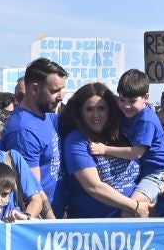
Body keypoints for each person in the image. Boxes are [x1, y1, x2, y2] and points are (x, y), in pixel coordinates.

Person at [59, 83, 142, 219]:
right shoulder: (75, 140)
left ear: (110, 109)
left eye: (101, 108)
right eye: (89, 109)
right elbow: (94, 187)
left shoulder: (124, 133)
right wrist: (136, 206)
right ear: (80, 112)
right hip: (95, 228)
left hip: (132, 223)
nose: (96, 115)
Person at [103, 69, 164, 217]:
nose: (126, 106)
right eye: (122, 100)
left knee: (129, 210)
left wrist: (104, 150)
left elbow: (136, 153)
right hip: (144, 171)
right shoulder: (130, 112)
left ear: (146, 98)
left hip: (156, 174)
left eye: (132, 101)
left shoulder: (146, 120)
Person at [1, 57, 66, 217]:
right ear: (35, 89)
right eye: (54, 91)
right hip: (41, 223)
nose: (61, 97)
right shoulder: (23, 130)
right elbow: (33, 190)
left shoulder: (44, 116)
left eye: (61, 90)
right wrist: (53, 222)